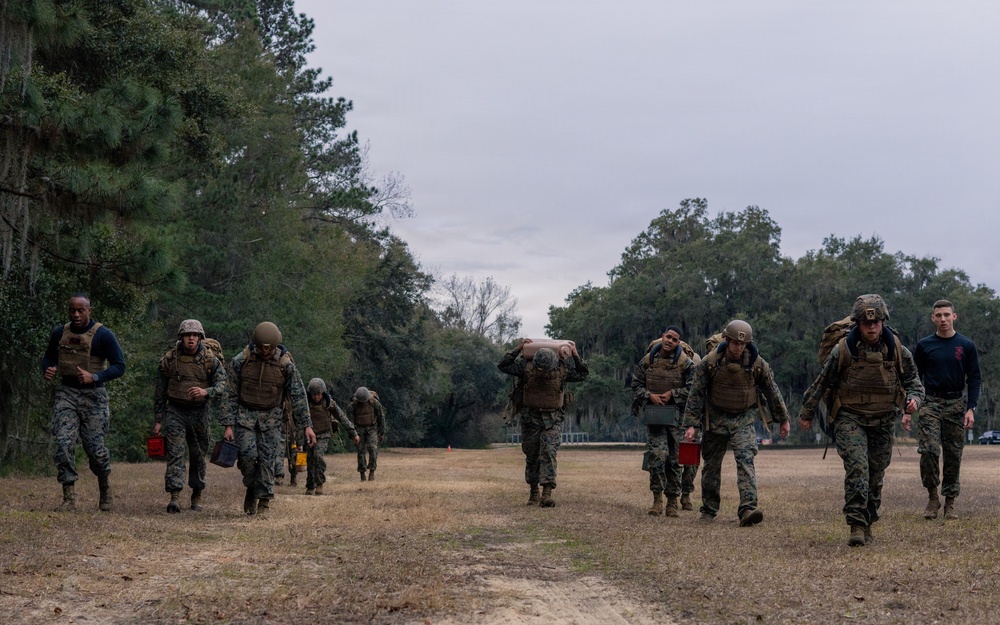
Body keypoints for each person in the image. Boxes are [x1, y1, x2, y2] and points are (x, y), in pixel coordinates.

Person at [798, 294, 924, 546]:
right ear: (857, 323)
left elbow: (914, 382)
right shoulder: (843, 349)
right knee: (858, 468)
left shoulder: (898, 349)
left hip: (883, 420)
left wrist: (914, 400)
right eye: (866, 323)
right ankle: (856, 524)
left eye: (876, 322)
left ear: (883, 322)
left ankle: (869, 519)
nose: (871, 327)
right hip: (850, 418)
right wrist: (807, 412)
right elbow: (822, 382)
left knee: (876, 474)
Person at [683, 320, 790, 526]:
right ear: (728, 340)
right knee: (711, 466)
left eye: (743, 344)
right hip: (715, 418)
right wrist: (691, 424)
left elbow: (772, 390)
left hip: (743, 418)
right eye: (735, 343)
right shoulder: (710, 362)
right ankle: (709, 510)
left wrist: (783, 419)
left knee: (746, 461)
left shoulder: (758, 364)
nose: (739, 348)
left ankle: (748, 508)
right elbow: (695, 394)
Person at [41, 293, 126, 512]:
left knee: (95, 450)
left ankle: (104, 485)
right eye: (72, 310)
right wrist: (48, 368)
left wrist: (95, 377)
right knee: (63, 443)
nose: (76, 314)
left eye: (81, 310)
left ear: (90, 310)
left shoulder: (104, 335)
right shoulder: (60, 333)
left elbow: (119, 366)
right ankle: (69, 497)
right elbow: (49, 357)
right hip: (67, 393)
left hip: (94, 396)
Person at [222, 322, 316, 515]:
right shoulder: (241, 361)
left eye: (269, 349)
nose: (265, 352)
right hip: (245, 418)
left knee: (268, 461)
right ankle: (251, 487)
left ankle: (264, 501)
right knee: (247, 460)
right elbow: (229, 394)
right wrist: (228, 425)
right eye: (261, 348)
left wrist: (306, 425)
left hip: (272, 419)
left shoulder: (285, 365)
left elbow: (298, 395)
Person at [910, 299, 981, 520]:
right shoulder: (924, 345)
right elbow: (913, 378)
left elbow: (975, 378)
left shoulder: (966, 345)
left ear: (954, 316)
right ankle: (933, 498)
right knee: (929, 450)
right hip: (930, 402)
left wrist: (970, 408)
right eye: (938, 315)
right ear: (933, 318)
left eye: (946, 315)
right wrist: (909, 405)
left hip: (956, 404)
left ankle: (950, 502)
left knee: (953, 455)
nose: (943, 319)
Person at [498, 339, 589, 508]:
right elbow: (503, 365)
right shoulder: (526, 368)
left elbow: (583, 373)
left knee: (548, 452)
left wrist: (575, 354)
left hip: (552, 419)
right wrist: (518, 348)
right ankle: (533, 491)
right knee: (532, 455)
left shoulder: (562, 369)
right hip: (530, 418)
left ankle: (547, 493)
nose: (543, 373)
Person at [153, 319, 227, 513]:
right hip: (175, 410)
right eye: (187, 335)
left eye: (195, 335)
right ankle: (174, 496)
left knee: (198, 455)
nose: (191, 338)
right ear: (181, 337)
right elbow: (160, 390)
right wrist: (159, 419)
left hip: (199, 412)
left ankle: (197, 494)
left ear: (200, 337)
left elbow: (223, 385)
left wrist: (206, 392)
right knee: (175, 453)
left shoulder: (210, 359)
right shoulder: (170, 359)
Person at [631, 325, 696, 516]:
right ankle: (657, 500)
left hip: (677, 419)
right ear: (662, 337)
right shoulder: (648, 360)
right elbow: (635, 384)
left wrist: (672, 394)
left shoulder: (686, 363)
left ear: (679, 343)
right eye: (668, 337)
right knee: (657, 457)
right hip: (655, 417)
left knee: (675, 461)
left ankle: (673, 502)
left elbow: (694, 389)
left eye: (675, 339)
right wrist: (649, 395)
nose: (670, 341)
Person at [305, 378, 360, 494]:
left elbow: (342, 417)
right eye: (314, 394)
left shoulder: (329, 403)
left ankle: (319, 483)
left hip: (324, 434)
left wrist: (353, 433)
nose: (316, 397)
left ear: (323, 393)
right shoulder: (305, 404)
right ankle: (310, 485)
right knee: (310, 459)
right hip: (309, 435)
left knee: (318, 456)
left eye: (318, 394)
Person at [346, 386, 386, 481]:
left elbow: (381, 417)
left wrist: (382, 432)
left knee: (373, 449)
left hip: (372, 428)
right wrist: (352, 434)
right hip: (358, 429)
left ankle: (372, 471)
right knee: (361, 452)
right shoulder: (352, 406)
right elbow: (349, 422)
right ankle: (362, 473)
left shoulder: (374, 403)